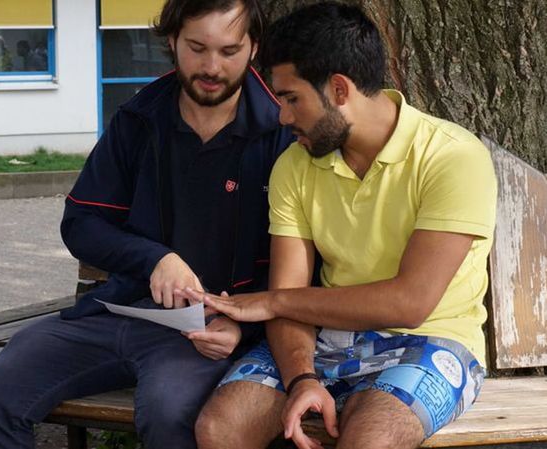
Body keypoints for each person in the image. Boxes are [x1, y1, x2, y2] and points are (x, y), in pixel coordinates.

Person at [0, 0, 294, 448]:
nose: (212, 66)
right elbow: (81, 222)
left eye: (229, 51)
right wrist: (155, 259)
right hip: (118, 310)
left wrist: (243, 326)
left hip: (206, 332)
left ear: (254, 48)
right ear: (172, 40)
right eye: (197, 47)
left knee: (168, 413)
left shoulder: (283, 132)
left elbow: (302, 268)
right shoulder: (139, 117)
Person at [188, 3, 497, 449]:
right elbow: (289, 302)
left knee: (372, 438)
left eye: (291, 98)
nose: (282, 117)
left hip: (432, 341)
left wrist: (274, 301)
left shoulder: (452, 158)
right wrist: (301, 379)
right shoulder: (294, 166)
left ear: (338, 89)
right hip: (328, 339)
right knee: (221, 426)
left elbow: (409, 303)